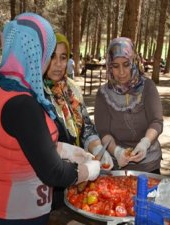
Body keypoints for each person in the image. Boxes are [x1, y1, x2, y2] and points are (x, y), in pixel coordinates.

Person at [0, 13, 100, 225]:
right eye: (48, 52)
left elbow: (22, 145)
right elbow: (53, 173)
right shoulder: (21, 103)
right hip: (16, 215)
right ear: (37, 53)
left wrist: (65, 150)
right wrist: (88, 171)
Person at [43, 33, 114, 209]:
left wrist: (97, 147)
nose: (59, 64)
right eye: (52, 57)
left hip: (79, 179)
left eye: (63, 57)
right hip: (49, 184)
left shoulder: (72, 89)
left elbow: (86, 127)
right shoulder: (37, 93)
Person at [94, 37, 163, 174]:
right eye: (115, 66)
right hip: (117, 164)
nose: (121, 72)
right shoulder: (103, 94)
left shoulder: (147, 87)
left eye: (126, 64)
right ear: (109, 66)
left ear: (133, 62)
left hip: (148, 163)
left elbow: (156, 122)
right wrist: (117, 151)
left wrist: (145, 143)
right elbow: (104, 132)